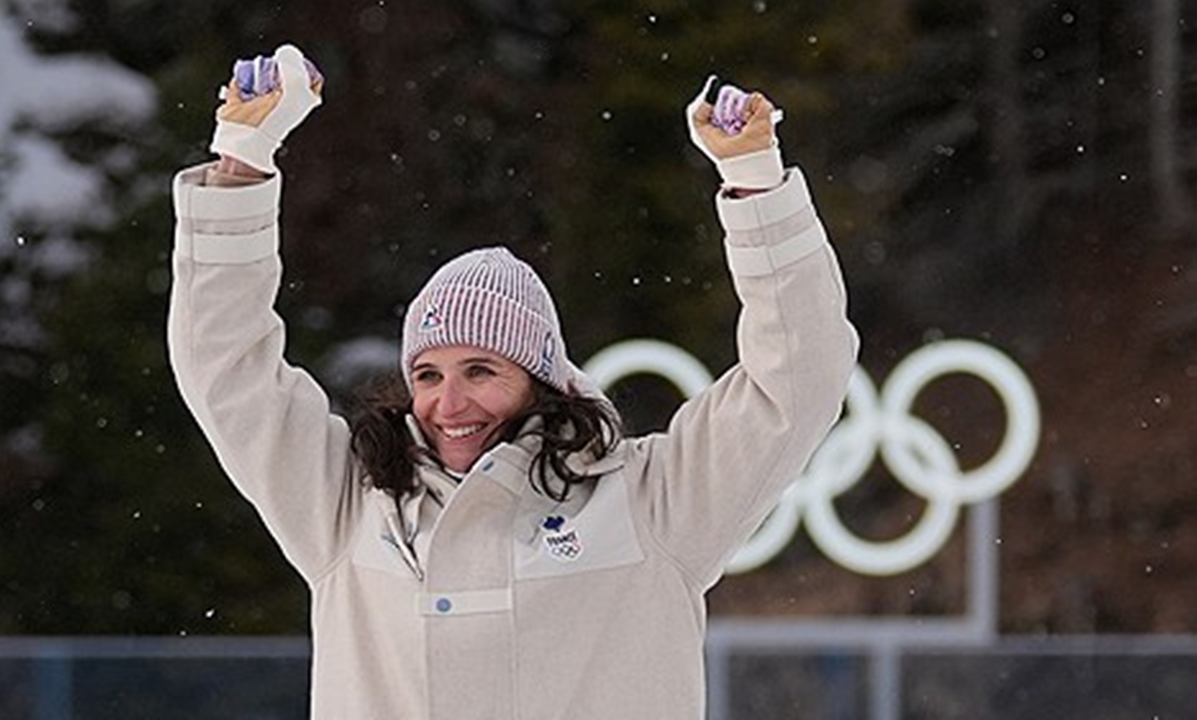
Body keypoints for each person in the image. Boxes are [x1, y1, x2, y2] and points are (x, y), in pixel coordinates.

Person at [168, 43, 858, 720]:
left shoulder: (649, 503)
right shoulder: (349, 504)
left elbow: (798, 379)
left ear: (541, 380)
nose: (449, 403)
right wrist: (241, 163)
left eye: (481, 371)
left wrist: (757, 187)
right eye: (428, 375)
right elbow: (223, 366)